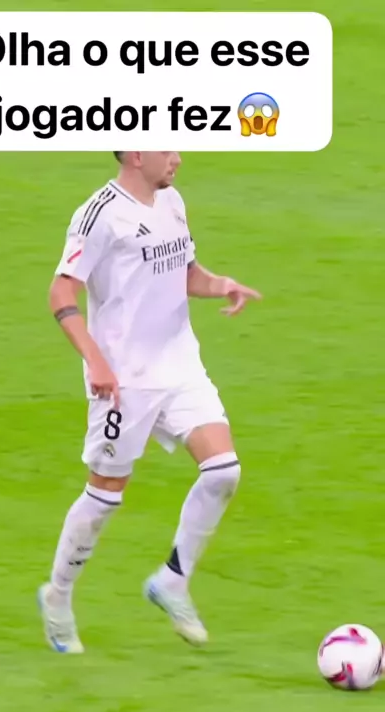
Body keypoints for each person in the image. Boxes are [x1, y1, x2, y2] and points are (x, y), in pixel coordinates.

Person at [38, 151, 261, 654]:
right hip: (124, 379)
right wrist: (96, 361)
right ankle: (58, 595)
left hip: (179, 365)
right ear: (137, 155)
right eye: (168, 149)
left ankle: (172, 581)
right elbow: (60, 293)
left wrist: (221, 285)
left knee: (223, 471)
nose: (178, 158)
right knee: (105, 495)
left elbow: (184, 272)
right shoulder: (99, 215)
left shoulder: (172, 201)